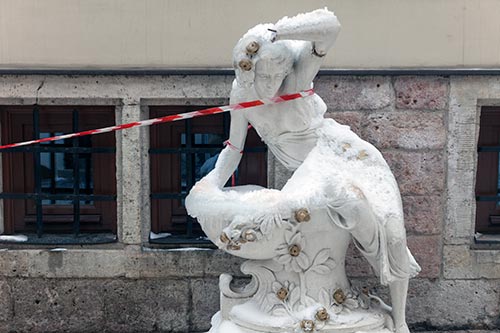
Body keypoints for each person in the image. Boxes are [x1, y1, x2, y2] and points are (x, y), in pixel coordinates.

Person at [187, 9, 419, 333]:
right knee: (299, 209)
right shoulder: (241, 95)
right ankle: (299, 302)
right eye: (264, 76)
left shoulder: (297, 73)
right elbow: (233, 150)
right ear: (249, 72)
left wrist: (277, 32)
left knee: (390, 230)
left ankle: (402, 320)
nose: (272, 84)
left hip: (342, 154)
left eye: (277, 76)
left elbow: (330, 26)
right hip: (312, 174)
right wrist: (209, 186)